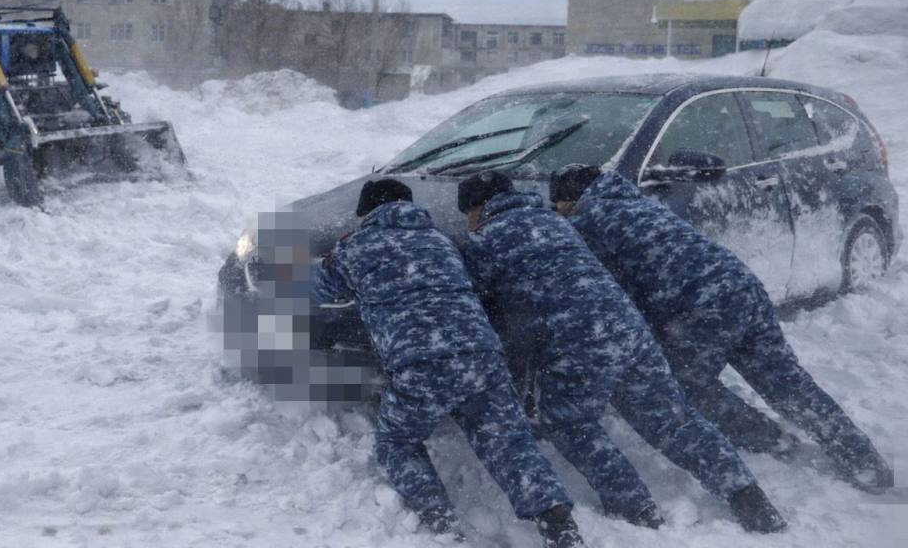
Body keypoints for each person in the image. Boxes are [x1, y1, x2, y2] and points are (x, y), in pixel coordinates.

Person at [458, 170, 786, 533]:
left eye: (467, 215)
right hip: (627, 328)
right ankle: (747, 494)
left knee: (570, 421)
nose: (468, 224)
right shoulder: (558, 222)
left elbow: (489, 314)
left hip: (576, 339)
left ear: (477, 210)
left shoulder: (485, 242)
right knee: (671, 418)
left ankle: (636, 509)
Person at [554, 164, 895, 492]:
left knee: (681, 384)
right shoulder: (639, 204)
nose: (558, 212)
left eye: (559, 204)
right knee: (787, 382)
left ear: (570, 199)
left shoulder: (587, 220)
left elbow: (602, 294)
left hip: (701, 306)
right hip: (742, 286)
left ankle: (767, 440)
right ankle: (863, 460)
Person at [314, 178, 584, 547]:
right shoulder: (443, 240)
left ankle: (442, 526)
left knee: (398, 441)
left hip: (419, 365)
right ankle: (558, 524)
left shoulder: (355, 247)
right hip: (481, 357)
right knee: (509, 442)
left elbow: (319, 289)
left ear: (367, 213)